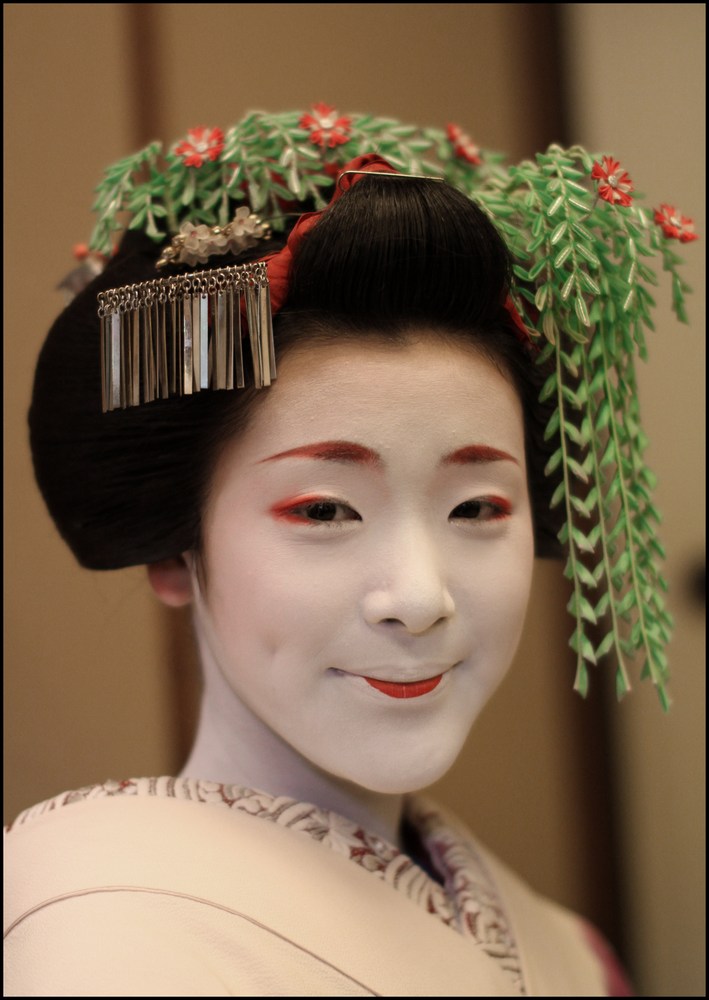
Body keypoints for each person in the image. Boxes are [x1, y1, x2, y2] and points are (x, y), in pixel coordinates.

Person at [5, 108, 697, 996]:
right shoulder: (95, 936)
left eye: (478, 505)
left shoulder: (567, 951)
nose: (418, 595)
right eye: (325, 509)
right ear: (177, 545)